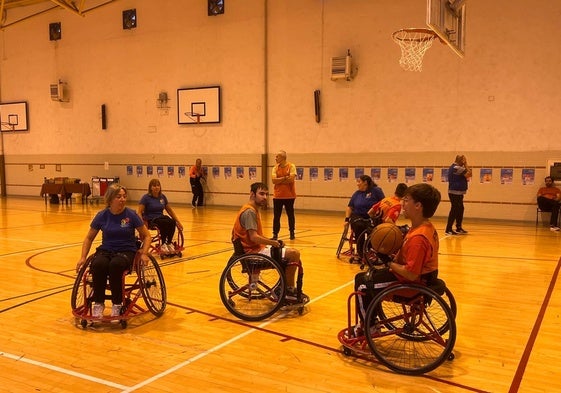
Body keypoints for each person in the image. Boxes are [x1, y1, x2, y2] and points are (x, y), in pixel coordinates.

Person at [354, 183, 441, 329]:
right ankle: (372, 320)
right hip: (424, 277)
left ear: (418, 206)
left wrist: (388, 262)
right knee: (364, 276)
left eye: (406, 200)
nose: (402, 203)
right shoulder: (424, 227)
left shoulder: (418, 238)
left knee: (362, 285)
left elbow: (411, 274)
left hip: (413, 284)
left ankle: (367, 327)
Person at [76, 184, 151, 319]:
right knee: (98, 265)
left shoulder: (131, 215)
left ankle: (117, 304)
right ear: (110, 199)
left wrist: (144, 253)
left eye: (124, 196)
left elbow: (147, 236)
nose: (122, 199)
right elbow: (89, 238)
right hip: (107, 250)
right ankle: (98, 303)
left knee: (115, 265)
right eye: (118, 197)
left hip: (126, 251)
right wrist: (82, 257)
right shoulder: (102, 216)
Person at [232, 182, 308, 303]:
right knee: (294, 254)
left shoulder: (251, 209)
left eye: (266, 194)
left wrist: (271, 241)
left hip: (254, 249)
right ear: (252, 194)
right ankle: (288, 291)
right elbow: (254, 237)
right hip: (253, 252)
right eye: (261, 194)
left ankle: (284, 287)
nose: (265, 197)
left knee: (287, 251)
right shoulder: (249, 212)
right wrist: (273, 243)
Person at [344, 175, 385, 259]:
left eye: (359, 182)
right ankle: (361, 254)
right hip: (357, 215)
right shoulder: (356, 193)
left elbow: (383, 203)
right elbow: (350, 207)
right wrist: (347, 219)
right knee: (359, 226)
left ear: (365, 182)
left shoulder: (376, 191)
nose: (357, 184)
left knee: (372, 230)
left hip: (371, 217)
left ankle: (371, 252)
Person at [138, 179, 183, 254]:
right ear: (150, 187)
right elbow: (139, 212)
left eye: (158, 185)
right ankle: (163, 244)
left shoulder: (162, 197)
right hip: (151, 220)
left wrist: (178, 222)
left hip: (161, 217)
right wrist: (141, 224)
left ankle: (168, 243)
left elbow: (170, 211)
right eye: (154, 186)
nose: (156, 187)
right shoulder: (145, 198)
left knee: (172, 222)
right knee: (163, 223)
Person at [271, 150, 297, 240]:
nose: (275, 158)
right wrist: (285, 177)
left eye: (277, 157)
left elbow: (291, 179)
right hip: (277, 196)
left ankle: (292, 232)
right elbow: (273, 180)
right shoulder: (275, 168)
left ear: (282, 157)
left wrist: (280, 180)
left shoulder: (291, 166)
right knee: (276, 216)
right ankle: (275, 234)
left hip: (289, 195)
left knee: (290, 215)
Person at [445, 154, 472, 235]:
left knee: (460, 208)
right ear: (460, 160)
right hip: (454, 192)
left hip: (458, 192)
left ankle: (458, 227)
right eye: (463, 160)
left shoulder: (456, 167)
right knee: (454, 209)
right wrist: (466, 164)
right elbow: (469, 174)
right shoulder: (456, 168)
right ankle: (448, 229)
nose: (464, 161)